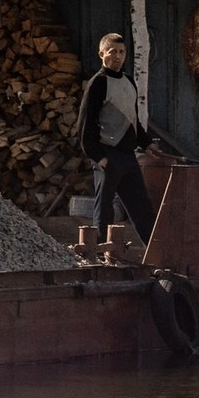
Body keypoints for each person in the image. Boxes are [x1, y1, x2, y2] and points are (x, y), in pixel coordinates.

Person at [78, 32, 156, 244]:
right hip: (108, 154)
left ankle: (155, 252)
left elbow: (133, 122)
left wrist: (147, 142)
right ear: (101, 53)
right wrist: (98, 157)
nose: (118, 56)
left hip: (128, 156)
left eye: (122, 52)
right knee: (104, 209)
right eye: (112, 52)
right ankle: (101, 254)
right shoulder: (98, 83)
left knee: (141, 206)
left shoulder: (129, 81)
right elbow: (85, 126)